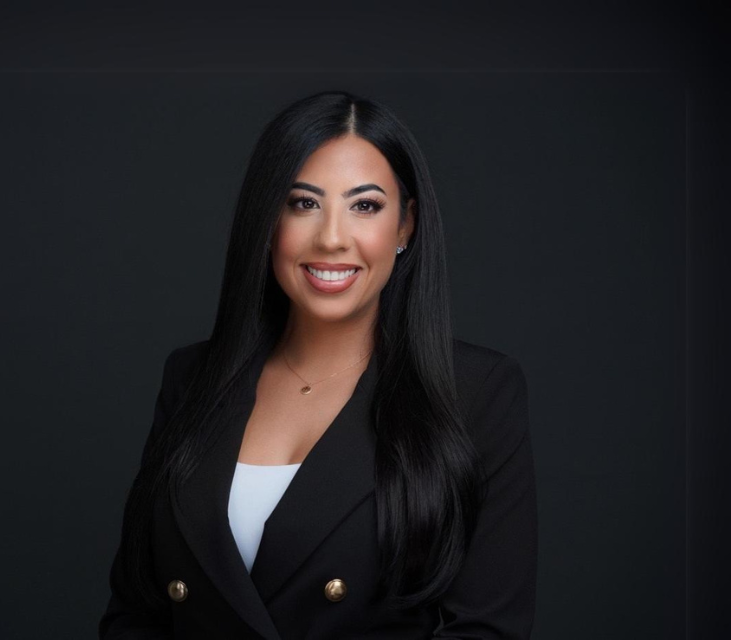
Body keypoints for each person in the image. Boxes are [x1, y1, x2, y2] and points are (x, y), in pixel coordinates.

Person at [98, 90, 538, 639]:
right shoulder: (191, 378)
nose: (331, 238)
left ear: (405, 226)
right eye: (303, 203)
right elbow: (136, 610)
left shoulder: (476, 391)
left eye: (365, 205)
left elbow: (487, 629)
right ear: (267, 220)